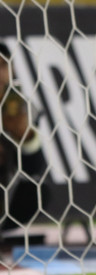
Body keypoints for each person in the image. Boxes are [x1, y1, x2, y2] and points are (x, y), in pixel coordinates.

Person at [0, 42, 48, 239]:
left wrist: (25, 136)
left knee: (38, 192)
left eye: (2, 66)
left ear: (12, 70)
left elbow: (35, 169)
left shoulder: (23, 108)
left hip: (5, 185)